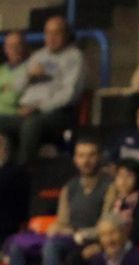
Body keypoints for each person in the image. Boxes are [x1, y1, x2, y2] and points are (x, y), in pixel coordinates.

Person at [6, 136, 113, 265]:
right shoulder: (69, 187)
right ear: (75, 159)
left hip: (89, 238)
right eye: (81, 156)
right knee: (17, 244)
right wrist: (58, 228)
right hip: (69, 236)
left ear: (99, 157)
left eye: (91, 155)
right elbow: (62, 221)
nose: (86, 161)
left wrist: (78, 233)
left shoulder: (109, 186)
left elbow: (106, 224)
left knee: (52, 246)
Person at [0, 16, 85, 166]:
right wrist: (28, 75)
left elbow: (69, 95)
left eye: (56, 33)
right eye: (47, 33)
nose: (51, 37)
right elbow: (17, 87)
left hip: (56, 113)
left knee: (31, 125)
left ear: (66, 35)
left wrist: (38, 106)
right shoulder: (38, 56)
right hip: (27, 112)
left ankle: (22, 174)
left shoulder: (75, 57)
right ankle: (6, 172)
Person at [0, 31, 29, 117]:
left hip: (15, 117)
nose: (14, 49)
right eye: (10, 46)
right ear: (5, 49)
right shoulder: (1, 70)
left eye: (18, 45)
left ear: (25, 47)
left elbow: (13, 98)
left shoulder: (30, 69)